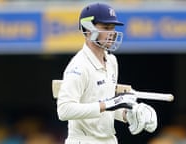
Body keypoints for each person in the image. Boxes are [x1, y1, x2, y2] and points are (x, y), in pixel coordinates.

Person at [56, 2, 158, 144]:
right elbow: (64, 110)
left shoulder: (111, 61)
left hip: (109, 139)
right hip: (84, 140)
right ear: (88, 29)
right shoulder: (79, 66)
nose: (112, 33)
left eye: (112, 28)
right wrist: (109, 103)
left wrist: (128, 115)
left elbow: (107, 108)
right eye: (106, 28)